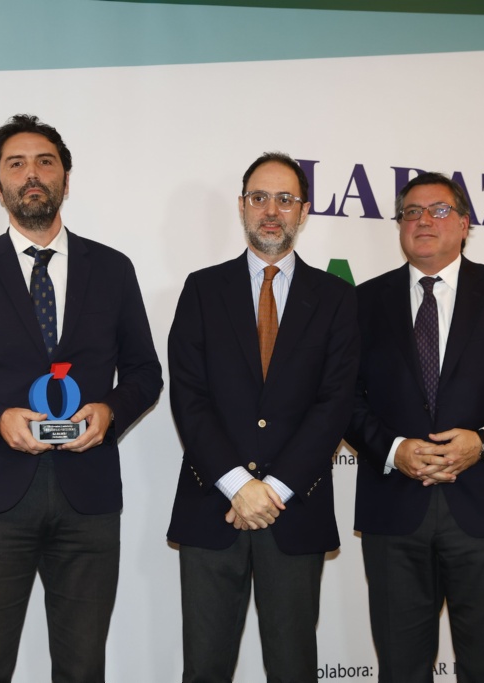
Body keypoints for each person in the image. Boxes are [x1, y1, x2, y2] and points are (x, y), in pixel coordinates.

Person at [0, 114, 163, 683]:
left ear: (66, 178)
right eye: (15, 164)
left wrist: (111, 411)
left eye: (45, 162)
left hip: (88, 498)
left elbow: (146, 372)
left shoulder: (113, 269)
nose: (31, 174)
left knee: (82, 668)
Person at [345, 172, 484, 683]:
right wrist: (394, 450)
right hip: (394, 513)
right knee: (400, 671)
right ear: (400, 226)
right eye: (411, 212)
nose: (423, 220)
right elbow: (342, 399)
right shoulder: (362, 302)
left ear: (465, 224)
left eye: (439, 210)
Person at [166, 152, 360, 683]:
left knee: (293, 668)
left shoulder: (337, 299)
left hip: (295, 511)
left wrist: (271, 490)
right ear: (242, 206)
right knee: (204, 670)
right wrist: (237, 485)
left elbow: (335, 404)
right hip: (212, 505)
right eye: (259, 198)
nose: (271, 211)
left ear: (304, 211)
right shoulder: (202, 289)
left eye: (285, 199)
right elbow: (189, 397)